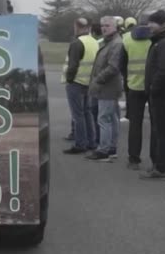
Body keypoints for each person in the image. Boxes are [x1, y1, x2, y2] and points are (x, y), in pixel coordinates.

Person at [141, 10, 165, 180]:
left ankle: (162, 168)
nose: (149, 25)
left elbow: (164, 71)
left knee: (162, 131)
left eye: (152, 23)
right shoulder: (163, 41)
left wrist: (153, 88)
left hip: (162, 95)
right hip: (162, 94)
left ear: (161, 24)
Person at [86, 16, 123, 162]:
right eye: (102, 25)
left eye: (107, 25)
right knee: (111, 118)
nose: (104, 28)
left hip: (108, 88)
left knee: (104, 119)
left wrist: (97, 80)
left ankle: (104, 150)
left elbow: (113, 67)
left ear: (115, 27)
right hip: (105, 87)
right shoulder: (108, 42)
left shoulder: (116, 44)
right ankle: (111, 149)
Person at [119, 16, 151, 171]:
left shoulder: (126, 40)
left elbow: (121, 65)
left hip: (133, 86)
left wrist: (128, 79)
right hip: (152, 87)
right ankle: (157, 159)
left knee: (135, 125)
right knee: (158, 125)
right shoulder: (154, 40)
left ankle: (134, 159)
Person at [62, 18, 98, 155]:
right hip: (89, 82)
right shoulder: (94, 42)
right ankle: (91, 142)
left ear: (77, 27)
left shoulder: (77, 43)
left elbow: (73, 66)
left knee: (78, 115)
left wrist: (69, 79)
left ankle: (80, 144)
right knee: (87, 112)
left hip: (76, 82)